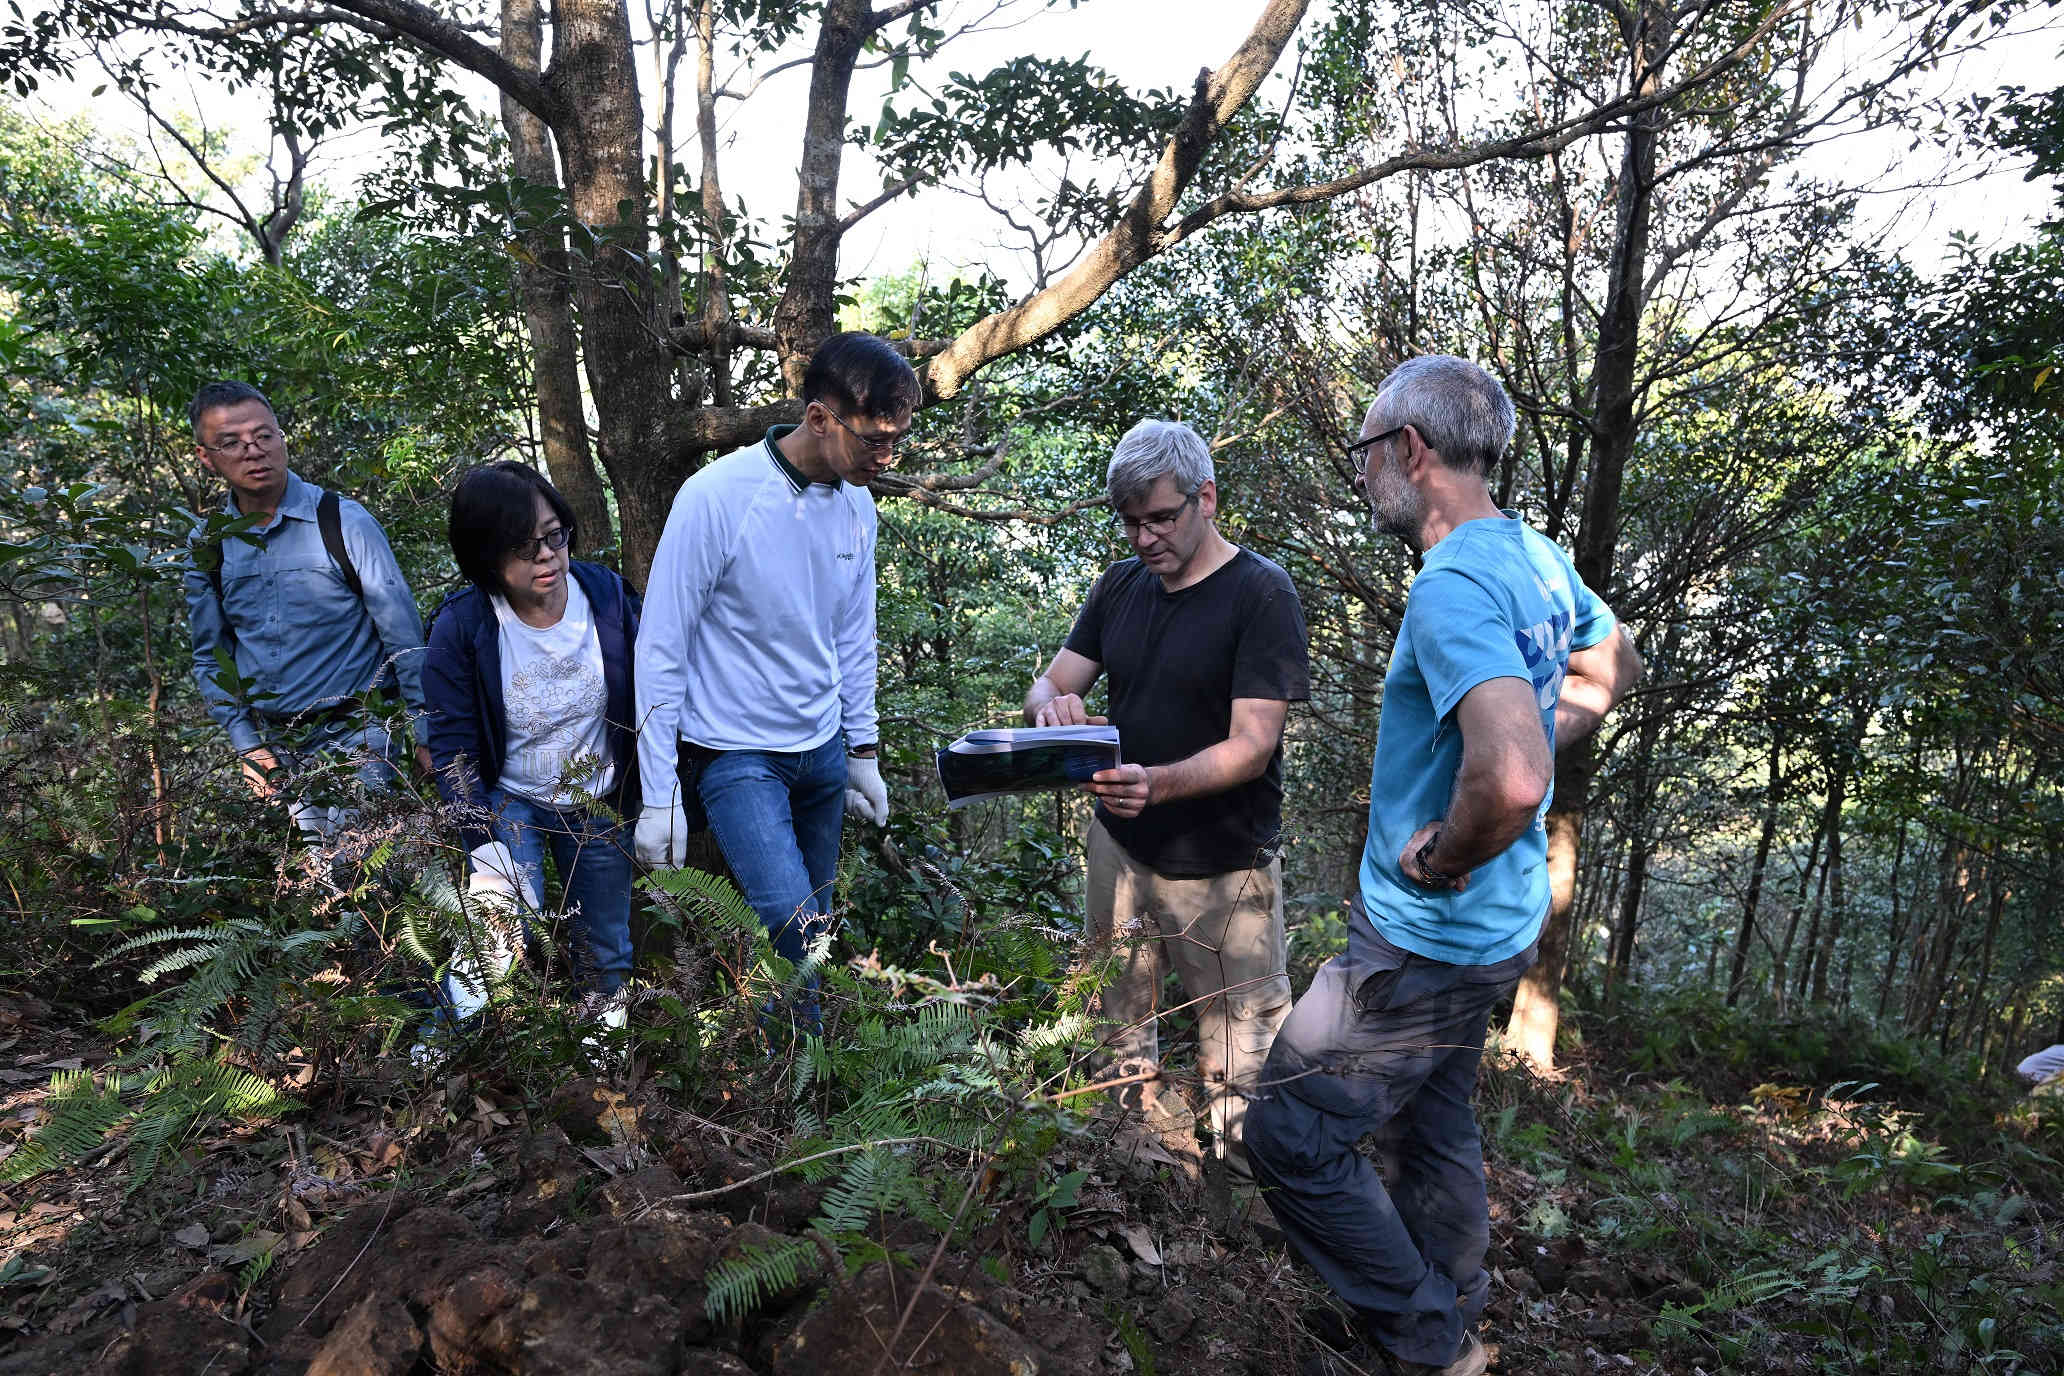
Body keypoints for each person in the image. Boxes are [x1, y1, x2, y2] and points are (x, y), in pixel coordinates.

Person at [1242, 356, 1642, 1376]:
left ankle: (1422, 1336)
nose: (1362, 470)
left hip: (1427, 936)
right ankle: (1452, 1311)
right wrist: (1537, 752)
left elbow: (1507, 779)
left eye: (1367, 450)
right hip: (1491, 933)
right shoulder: (1537, 557)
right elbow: (1613, 664)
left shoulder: (1455, 580)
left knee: (1290, 1132)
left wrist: (1446, 847)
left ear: (1409, 451)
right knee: (1431, 1120)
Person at [1024, 418, 1309, 1175]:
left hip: (1224, 868)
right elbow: (1052, 681)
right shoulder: (1120, 586)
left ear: (1205, 497)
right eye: (1130, 522)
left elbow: (1254, 746)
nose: (1144, 538)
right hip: (1120, 854)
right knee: (1114, 1029)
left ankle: (1245, 1211)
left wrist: (1157, 783)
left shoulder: (1261, 594)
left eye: (1160, 517)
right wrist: (1050, 706)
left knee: (1241, 1058)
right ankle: (1124, 1177)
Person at [633, 332, 909, 1033]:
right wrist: (660, 789)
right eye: (874, 440)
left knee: (809, 932)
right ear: (819, 419)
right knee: (795, 928)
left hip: (820, 750)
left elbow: (853, 633)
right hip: (735, 754)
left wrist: (864, 752)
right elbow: (662, 643)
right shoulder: (717, 497)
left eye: (897, 439)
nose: (887, 456)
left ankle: (778, 1076)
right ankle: (813, 1090)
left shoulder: (858, 506)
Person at [421, 462, 642, 1011]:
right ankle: (444, 1064)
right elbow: (453, 748)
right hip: (506, 799)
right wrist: (482, 842)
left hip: (598, 801)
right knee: (493, 948)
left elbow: (656, 694)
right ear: (486, 555)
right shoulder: (464, 625)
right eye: (523, 546)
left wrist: (662, 794)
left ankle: (605, 1067)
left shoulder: (607, 599)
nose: (546, 555)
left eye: (553, 536)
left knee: (605, 950)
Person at [183, 381, 430, 841]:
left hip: (360, 732)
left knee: (364, 879)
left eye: (264, 436)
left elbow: (402, 633)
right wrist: (248, 746)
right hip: (277, 745)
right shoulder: (208, 544)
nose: (253, 451)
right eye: (231, 443)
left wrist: (424, 730)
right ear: (206, 458)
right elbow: (209, 655)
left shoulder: (342, 521)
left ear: (282, 437)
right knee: (316, 888)